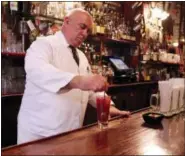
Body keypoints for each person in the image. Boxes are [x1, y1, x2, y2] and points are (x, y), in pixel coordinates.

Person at [17, 8, 130, 144]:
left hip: (71, 134)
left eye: (88, 31)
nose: (84, 33)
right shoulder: (43, 44)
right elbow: (39, 72)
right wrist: (80, 81)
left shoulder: (81, 56)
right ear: (66, 21)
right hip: (40, 135)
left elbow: (90, 91)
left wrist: (110, 107)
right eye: (82, 27)